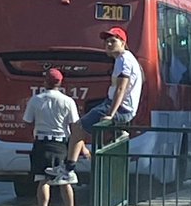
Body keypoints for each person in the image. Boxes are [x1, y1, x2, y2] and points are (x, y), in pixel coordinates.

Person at [46, 27, 143, 185]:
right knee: (80, 127)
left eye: (113, 41)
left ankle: (68, 170)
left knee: (77, 127)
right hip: (115, 105)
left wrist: (111, 114)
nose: (109, 44)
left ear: (123, 43)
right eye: (106, 42)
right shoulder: (126, 59)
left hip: (119, 108)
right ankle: (119, 132)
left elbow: (121, 88)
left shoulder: (123, 59)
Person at [22, 68, 80, 206]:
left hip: (41, 143)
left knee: (42, 179)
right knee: (65, 180)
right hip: (61, 144)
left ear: (44, 81)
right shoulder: (68, 101)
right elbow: (75, 126)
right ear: (60, 82)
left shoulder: (35, 100)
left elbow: (27, 122)